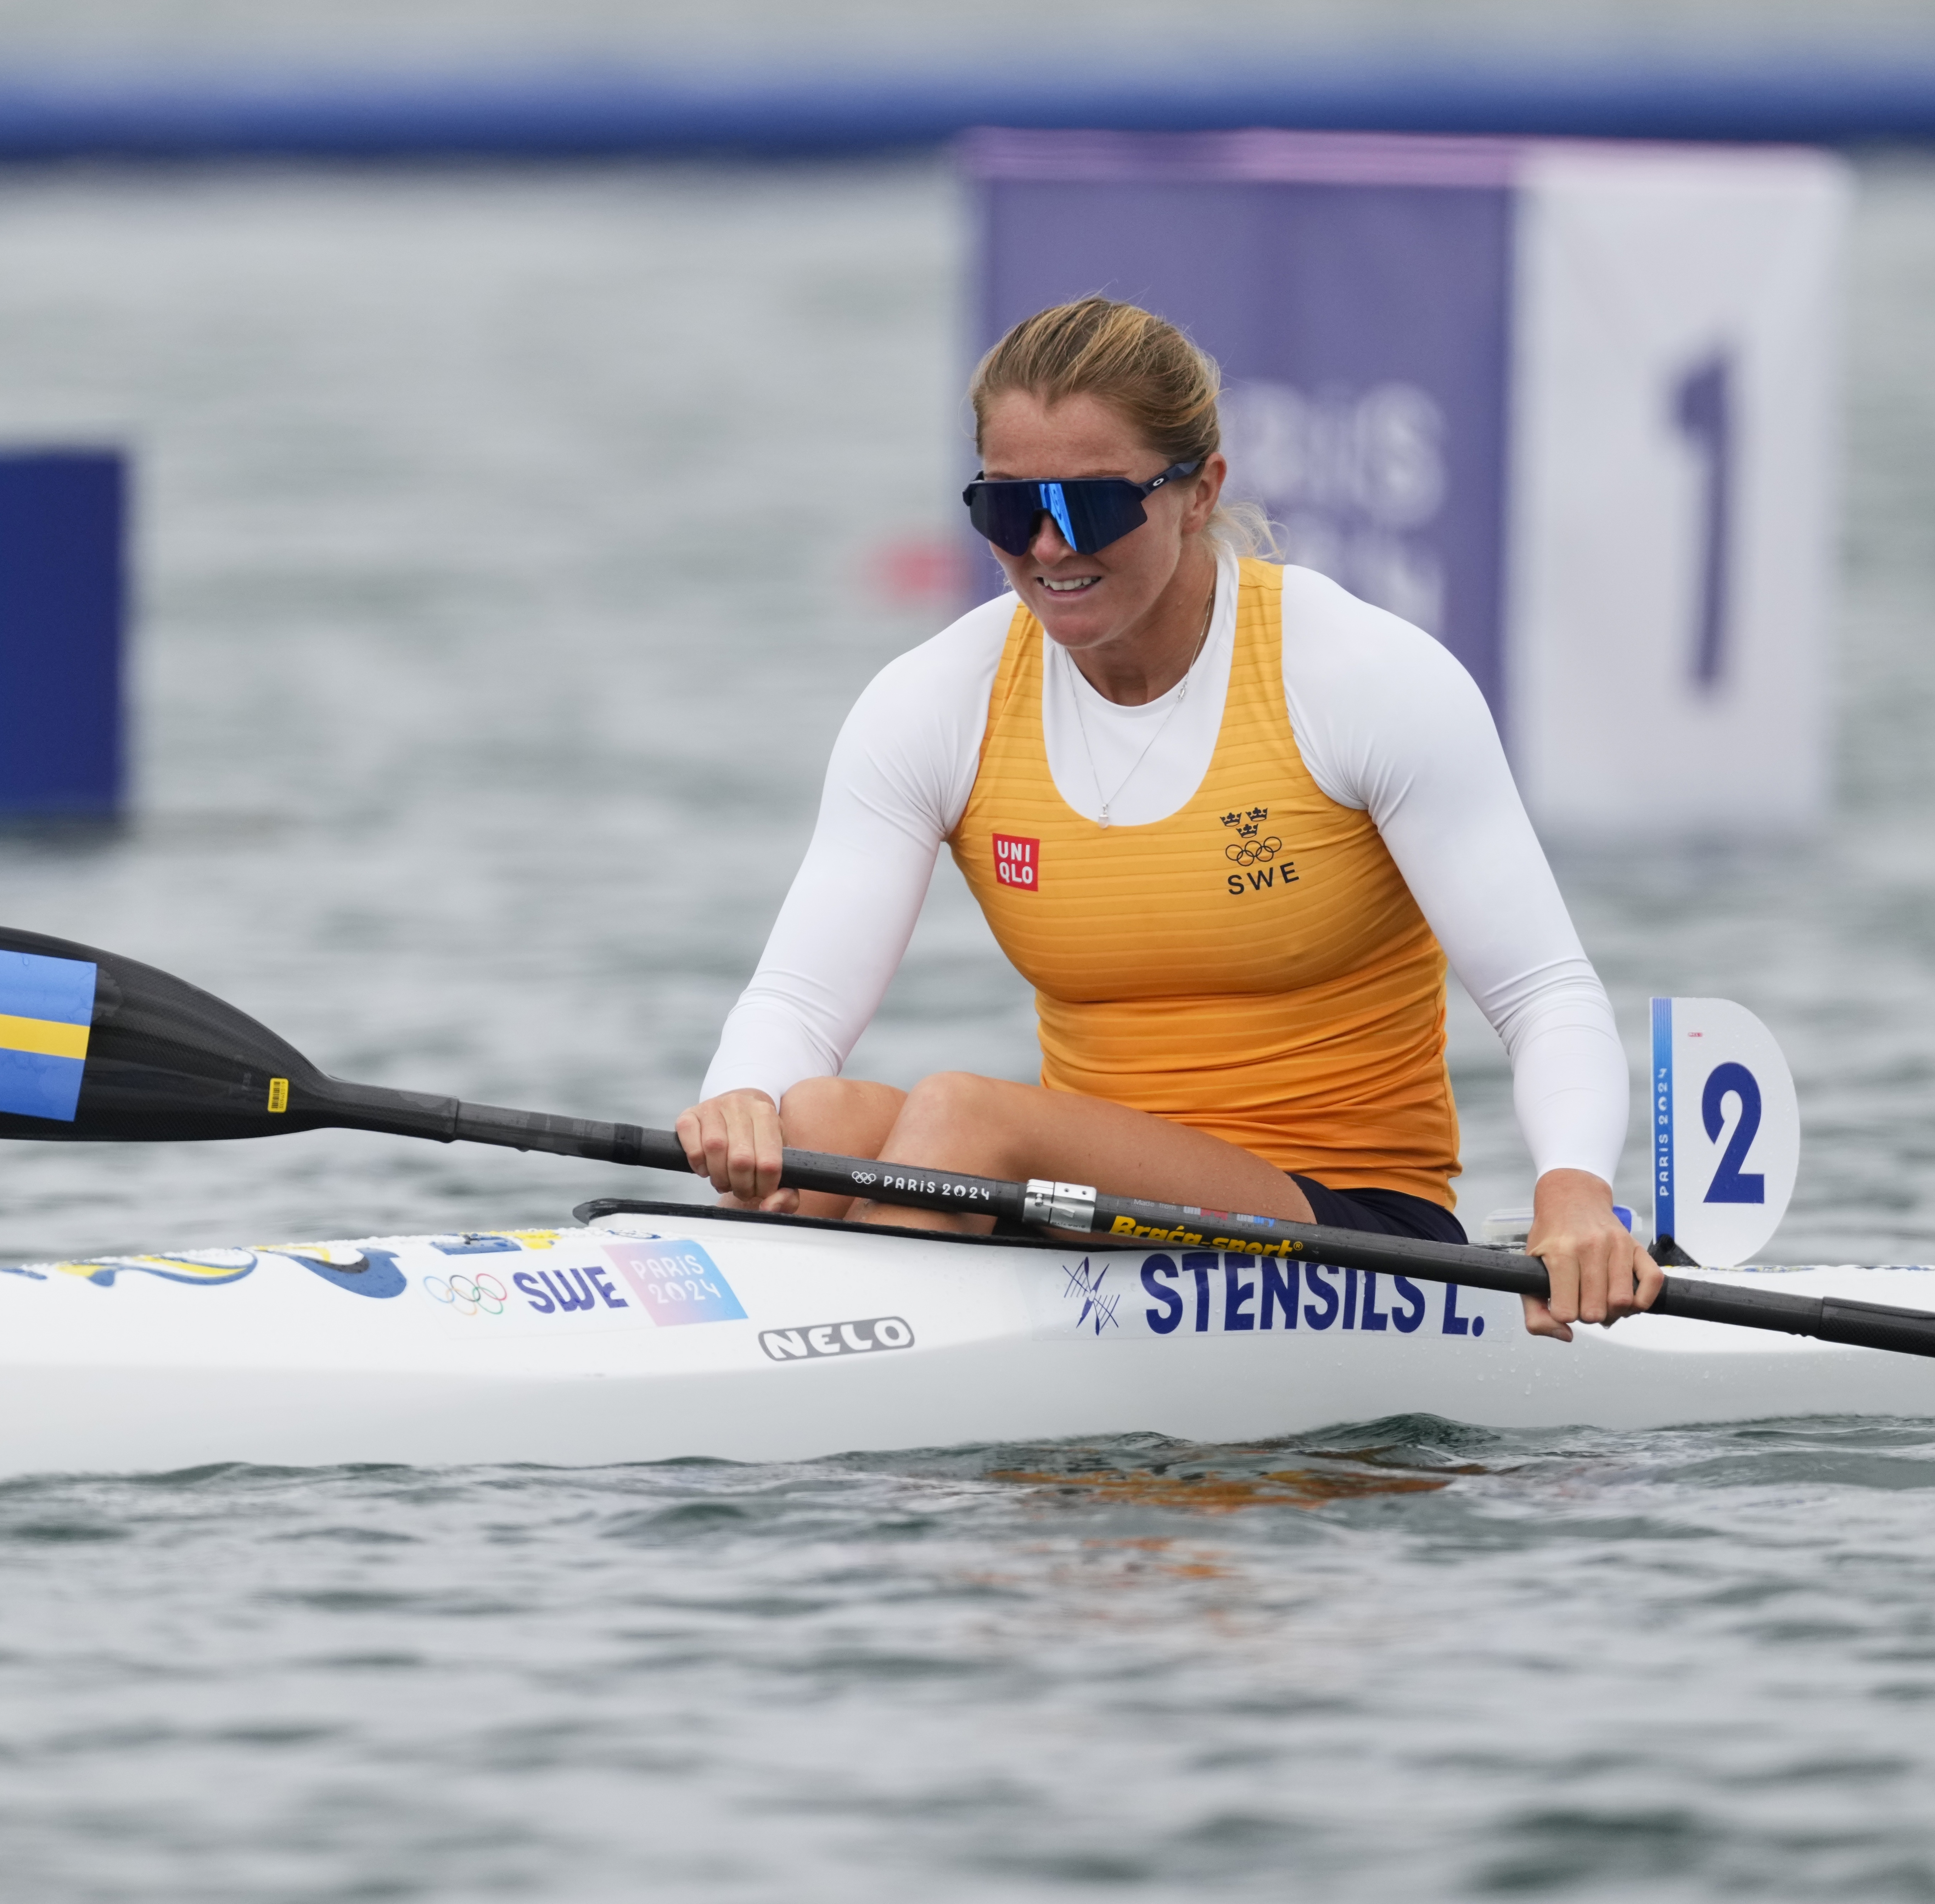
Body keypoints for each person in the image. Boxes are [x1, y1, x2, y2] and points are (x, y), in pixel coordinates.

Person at [674, 296, 1657, 1339]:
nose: (1048, 547)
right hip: (1077, 1208)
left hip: (1350, 1235)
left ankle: (831, 1371)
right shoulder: (936, 698)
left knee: (962, 1114)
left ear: (1199, 494)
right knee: (811, 1119)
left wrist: (1574, 1194)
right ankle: (816, 1354)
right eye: (1009, 511)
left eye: (1090, 507)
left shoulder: (1360, 676)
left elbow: (1543, 991)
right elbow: (797, 999)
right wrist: (739, 1097)